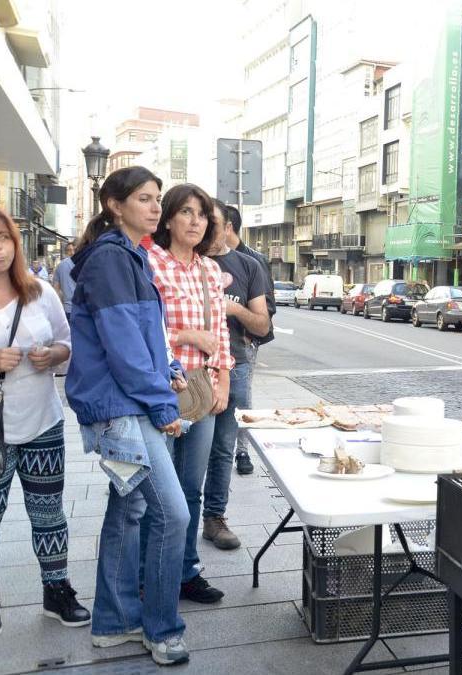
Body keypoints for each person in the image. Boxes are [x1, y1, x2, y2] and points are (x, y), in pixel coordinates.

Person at [65, 166, 191, 665]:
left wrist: (172, 368)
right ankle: (161, 630)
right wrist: (163, 404)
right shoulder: (113, 260)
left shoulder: (129, 258)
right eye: (144, 198)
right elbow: (122, 348)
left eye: (158, 197)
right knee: (172, 513)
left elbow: (144, 339)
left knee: (131, 510)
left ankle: (114, 622)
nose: (155, 207)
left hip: (127, 403)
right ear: (115, 205)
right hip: (122, 410)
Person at [0, 207, 88, 639]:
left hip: (42, 420)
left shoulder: (39, 292)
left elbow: (67, 342)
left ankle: (56, 590)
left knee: (49, 514)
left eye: (4, 237)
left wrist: (54, 355)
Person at [148, 184, 234, 605]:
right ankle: (150, 574)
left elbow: (220, 333)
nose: (196, 221)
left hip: (202, 386)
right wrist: (184, 334)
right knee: (158, 489)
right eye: (186, 212)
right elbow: (137, 330)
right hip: (162, 387)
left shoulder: (209, 271)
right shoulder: (150, 264)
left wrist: (224, 381)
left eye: (202, 214)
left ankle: (185, 571)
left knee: (191, 486)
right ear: (167, 219)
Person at [202, 202, 270, 550]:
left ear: (226, 226)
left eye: (210, 220)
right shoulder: (184, 263)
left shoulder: (247, 266)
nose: (203, 226)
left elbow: (263, 323)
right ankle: (177, 522)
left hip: (236, 364)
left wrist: (235, 309)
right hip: (191, 367)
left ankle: (214, 517)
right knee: (184, 449)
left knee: (223, 446)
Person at [220, 204, 274, 475]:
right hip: (210, 350)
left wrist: (249, 333)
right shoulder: (200, 258)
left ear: (228, 226)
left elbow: (268, 308)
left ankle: (242, 450)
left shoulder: (253, 261)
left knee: (242, 399)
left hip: (242, 344)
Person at [52, 241, 77, 319]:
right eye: (69, 250)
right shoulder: (83, 263)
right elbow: (56, 289)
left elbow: (56, 289)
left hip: (67, 309)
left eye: (74, 250)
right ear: (66, 252)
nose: (72, 252)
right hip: (79, 309)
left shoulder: (60, 266)